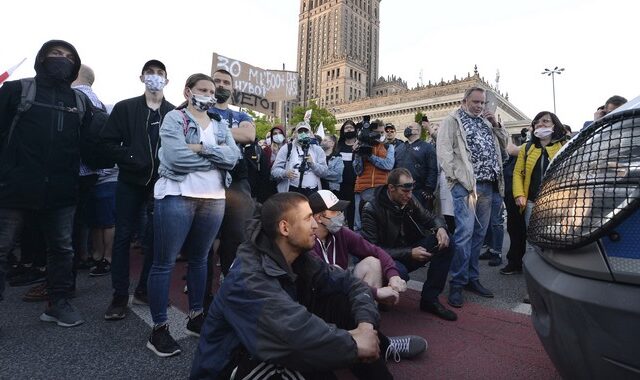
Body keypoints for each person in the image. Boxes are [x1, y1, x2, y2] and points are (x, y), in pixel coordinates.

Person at [190, 192, 426, 379]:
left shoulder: (300, 258)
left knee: (339, 302)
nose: (315, 225)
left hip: (283, 344)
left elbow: (352, 285)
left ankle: (379, 353)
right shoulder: (248, 279)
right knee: (306, 360)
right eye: (308, 218)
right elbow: (295, 331)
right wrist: (352, 342)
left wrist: (365, 327)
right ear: (284, 228)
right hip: (236, 364)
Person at [146, 73, 240, 357]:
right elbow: (174, 157)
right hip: (176, 196)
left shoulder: (220, 124)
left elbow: (233, 158)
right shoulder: (175, 119)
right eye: (203, 89)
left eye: (212, 91)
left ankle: (196, 316)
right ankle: (159, 329)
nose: (210, 94)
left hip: (213, 199)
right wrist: (215, 154)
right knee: (164, 263)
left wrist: (200, 148)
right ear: (188, 91)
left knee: (201, 259)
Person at [0, 40, 90, 326]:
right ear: (42, 58)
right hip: (14, 187)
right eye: (55, 54)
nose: (61, 59)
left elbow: (90, 146)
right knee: (2, 247)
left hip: (62, 190)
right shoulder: (16, 90)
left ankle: (58, 302)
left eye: (68, 56)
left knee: (62, 249)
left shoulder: (79, 101)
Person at [100, 59, 175, 320]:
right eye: (150, 73)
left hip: (160, 184)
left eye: (160, 73)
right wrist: (132, 157)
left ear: (167, 80)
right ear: (142, 77)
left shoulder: (173, 113)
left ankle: (144, 289)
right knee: (122, 237)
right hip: (130, 182)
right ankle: (119, 296)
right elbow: (107, 143)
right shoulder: (125, 108)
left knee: (155, 239)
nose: (155, 77)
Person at [436, 86, 508, 308]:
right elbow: (444, 153)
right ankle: (457, 282)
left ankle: (472, 278)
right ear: (465, 101)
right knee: (464, 234)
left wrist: (496, 126)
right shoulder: (452, 120)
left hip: (489, 185)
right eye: (475, 102)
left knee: (479, 234)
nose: (479, 106)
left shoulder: (488, 122)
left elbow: (504, 148)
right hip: (466, 186)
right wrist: (457, 179)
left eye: (482, 103)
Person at [361, 169, 457, 321]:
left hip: (409, 249)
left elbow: (429, 217)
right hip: (386, 257)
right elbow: (372, 249)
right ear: (391, 188)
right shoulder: (371, 207)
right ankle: (383, 293)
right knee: (401, 272)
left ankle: (429, 300)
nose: (409, 195)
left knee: (447, 242)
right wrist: (409, 252)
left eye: (411, 190)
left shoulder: (408, 198)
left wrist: (441, 228)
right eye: (405, 191)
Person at [308, 190, 406, 306]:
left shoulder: (341, 233)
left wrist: (393, 275)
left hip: (342, 288)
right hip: (317, 298)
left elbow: (376, 251)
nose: (341, 214)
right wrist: (376, 292)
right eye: (335, 211)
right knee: (335, 270)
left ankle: (366, 316)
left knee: (373, 263)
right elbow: (327, 278)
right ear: (319, 218)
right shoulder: (306, 241)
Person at [206, 69, 256, 276]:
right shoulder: (198, 110)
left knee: (236, 234)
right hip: (205, 177)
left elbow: (248, 134)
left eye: (226, 82)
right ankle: (200, 279)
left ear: (232, 88)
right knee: (205, 235)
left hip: (236, 179)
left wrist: (212, 130)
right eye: (217, 81)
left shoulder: (240, 115)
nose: (222, 85)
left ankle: (229, 277)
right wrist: (230, 134)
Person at [512, 111, 567, 229]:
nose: (540, 124)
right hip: (531, 202)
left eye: (545, 121)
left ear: (555, 125)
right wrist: (519, 195)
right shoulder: (526, 148)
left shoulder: (564, 147)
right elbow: (518, 173)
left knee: (555, 238)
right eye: (536, 122)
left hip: (557, 203)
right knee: (533, 239)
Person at [353, 119, 395, 231]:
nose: (380, 135)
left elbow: (388, 165)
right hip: (362, 189)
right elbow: (358, 171)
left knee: (379, 223)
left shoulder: (388, 147)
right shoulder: (362, 145)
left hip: (380, 190)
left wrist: (370, 156)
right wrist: (358, 154)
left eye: (382, 132)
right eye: (377, 132)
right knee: (359, 224)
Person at [271, 122, 329, 196]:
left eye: (306, 131)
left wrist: (313, 164)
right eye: (300, 131)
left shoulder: (318, 150)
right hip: (292, 191)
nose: (303, 134)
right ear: (295, 133)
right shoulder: (286, 148)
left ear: (310, 133)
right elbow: (274, 171)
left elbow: (325, 173)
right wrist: (285, 173)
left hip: (312, 192)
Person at [394, 121, 438, 211]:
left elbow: (432, 169)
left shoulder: (427, 147)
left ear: (417, 131)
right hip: (400, 191)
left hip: (419, 192)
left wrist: (429, 188)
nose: (407, 129)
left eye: (410, 127)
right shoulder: (399, 148)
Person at [337, 120, 359, 228]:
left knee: (353, 212)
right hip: (340, 185)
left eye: (351, 127)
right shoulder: (339, 146)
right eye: (346, 128)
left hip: (356, 185)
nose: (349, 129)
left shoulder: (359, 145)